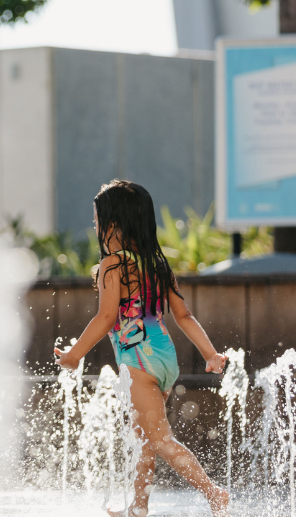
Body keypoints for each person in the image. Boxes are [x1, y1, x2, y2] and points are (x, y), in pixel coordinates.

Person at [54, 179, 229, 517]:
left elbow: (106, 317)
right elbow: (184, 314)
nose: (95, 226)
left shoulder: (113, 266)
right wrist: (209, 353)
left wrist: (75, 354)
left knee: (160, 440)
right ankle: (138, 508)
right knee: (143, 439)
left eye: (97, 220)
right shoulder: (157, 263)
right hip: (163, 358)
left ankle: (213, 493)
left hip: (137, 361)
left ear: (112, 225)